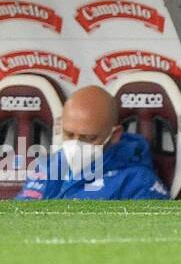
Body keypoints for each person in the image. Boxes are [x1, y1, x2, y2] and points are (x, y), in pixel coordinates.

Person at [16, 85, 168, 200]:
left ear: (115, 134)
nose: (75, 145)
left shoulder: (138, 183)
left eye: (87, 138)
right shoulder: (46, 166)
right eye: (69, 134)